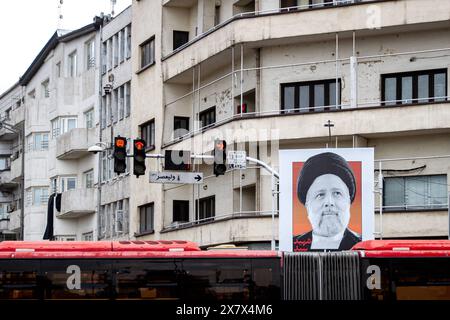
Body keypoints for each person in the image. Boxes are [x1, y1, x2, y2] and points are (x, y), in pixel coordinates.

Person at [293, 152, 361, 252]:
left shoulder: (361, 245)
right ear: (307, 206)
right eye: (320, 195)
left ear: (348, 202)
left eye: (337, 193)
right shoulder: (293, 245)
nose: (329, 202)